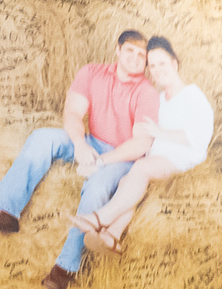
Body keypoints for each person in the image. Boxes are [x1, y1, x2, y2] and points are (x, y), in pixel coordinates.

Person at [0, 29, 163, 289]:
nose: (136, 59)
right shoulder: (91, 72)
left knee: (96, 187)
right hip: (91, 141)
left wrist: (101, 161)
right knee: (43, 137)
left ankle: (66, 266)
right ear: (117, 49)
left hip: (122, 156)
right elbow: (72, 112)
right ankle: (5, 212)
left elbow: (140, 144)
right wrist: (80, 145)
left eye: (142, 56)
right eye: (130, 51)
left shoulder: (147, 93)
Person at [78, 37, 214, 253]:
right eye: (152, 66)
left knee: (141, 168)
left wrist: (162, 133)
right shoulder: (158, 98)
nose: (158, 70)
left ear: (174, 64)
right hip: (157, 156)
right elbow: (145, 132)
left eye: (162, 63)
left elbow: (201, 136)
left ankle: (99, 218)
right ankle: (112, 235)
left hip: (182, 156)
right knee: (126, 181)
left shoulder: (192, 95)